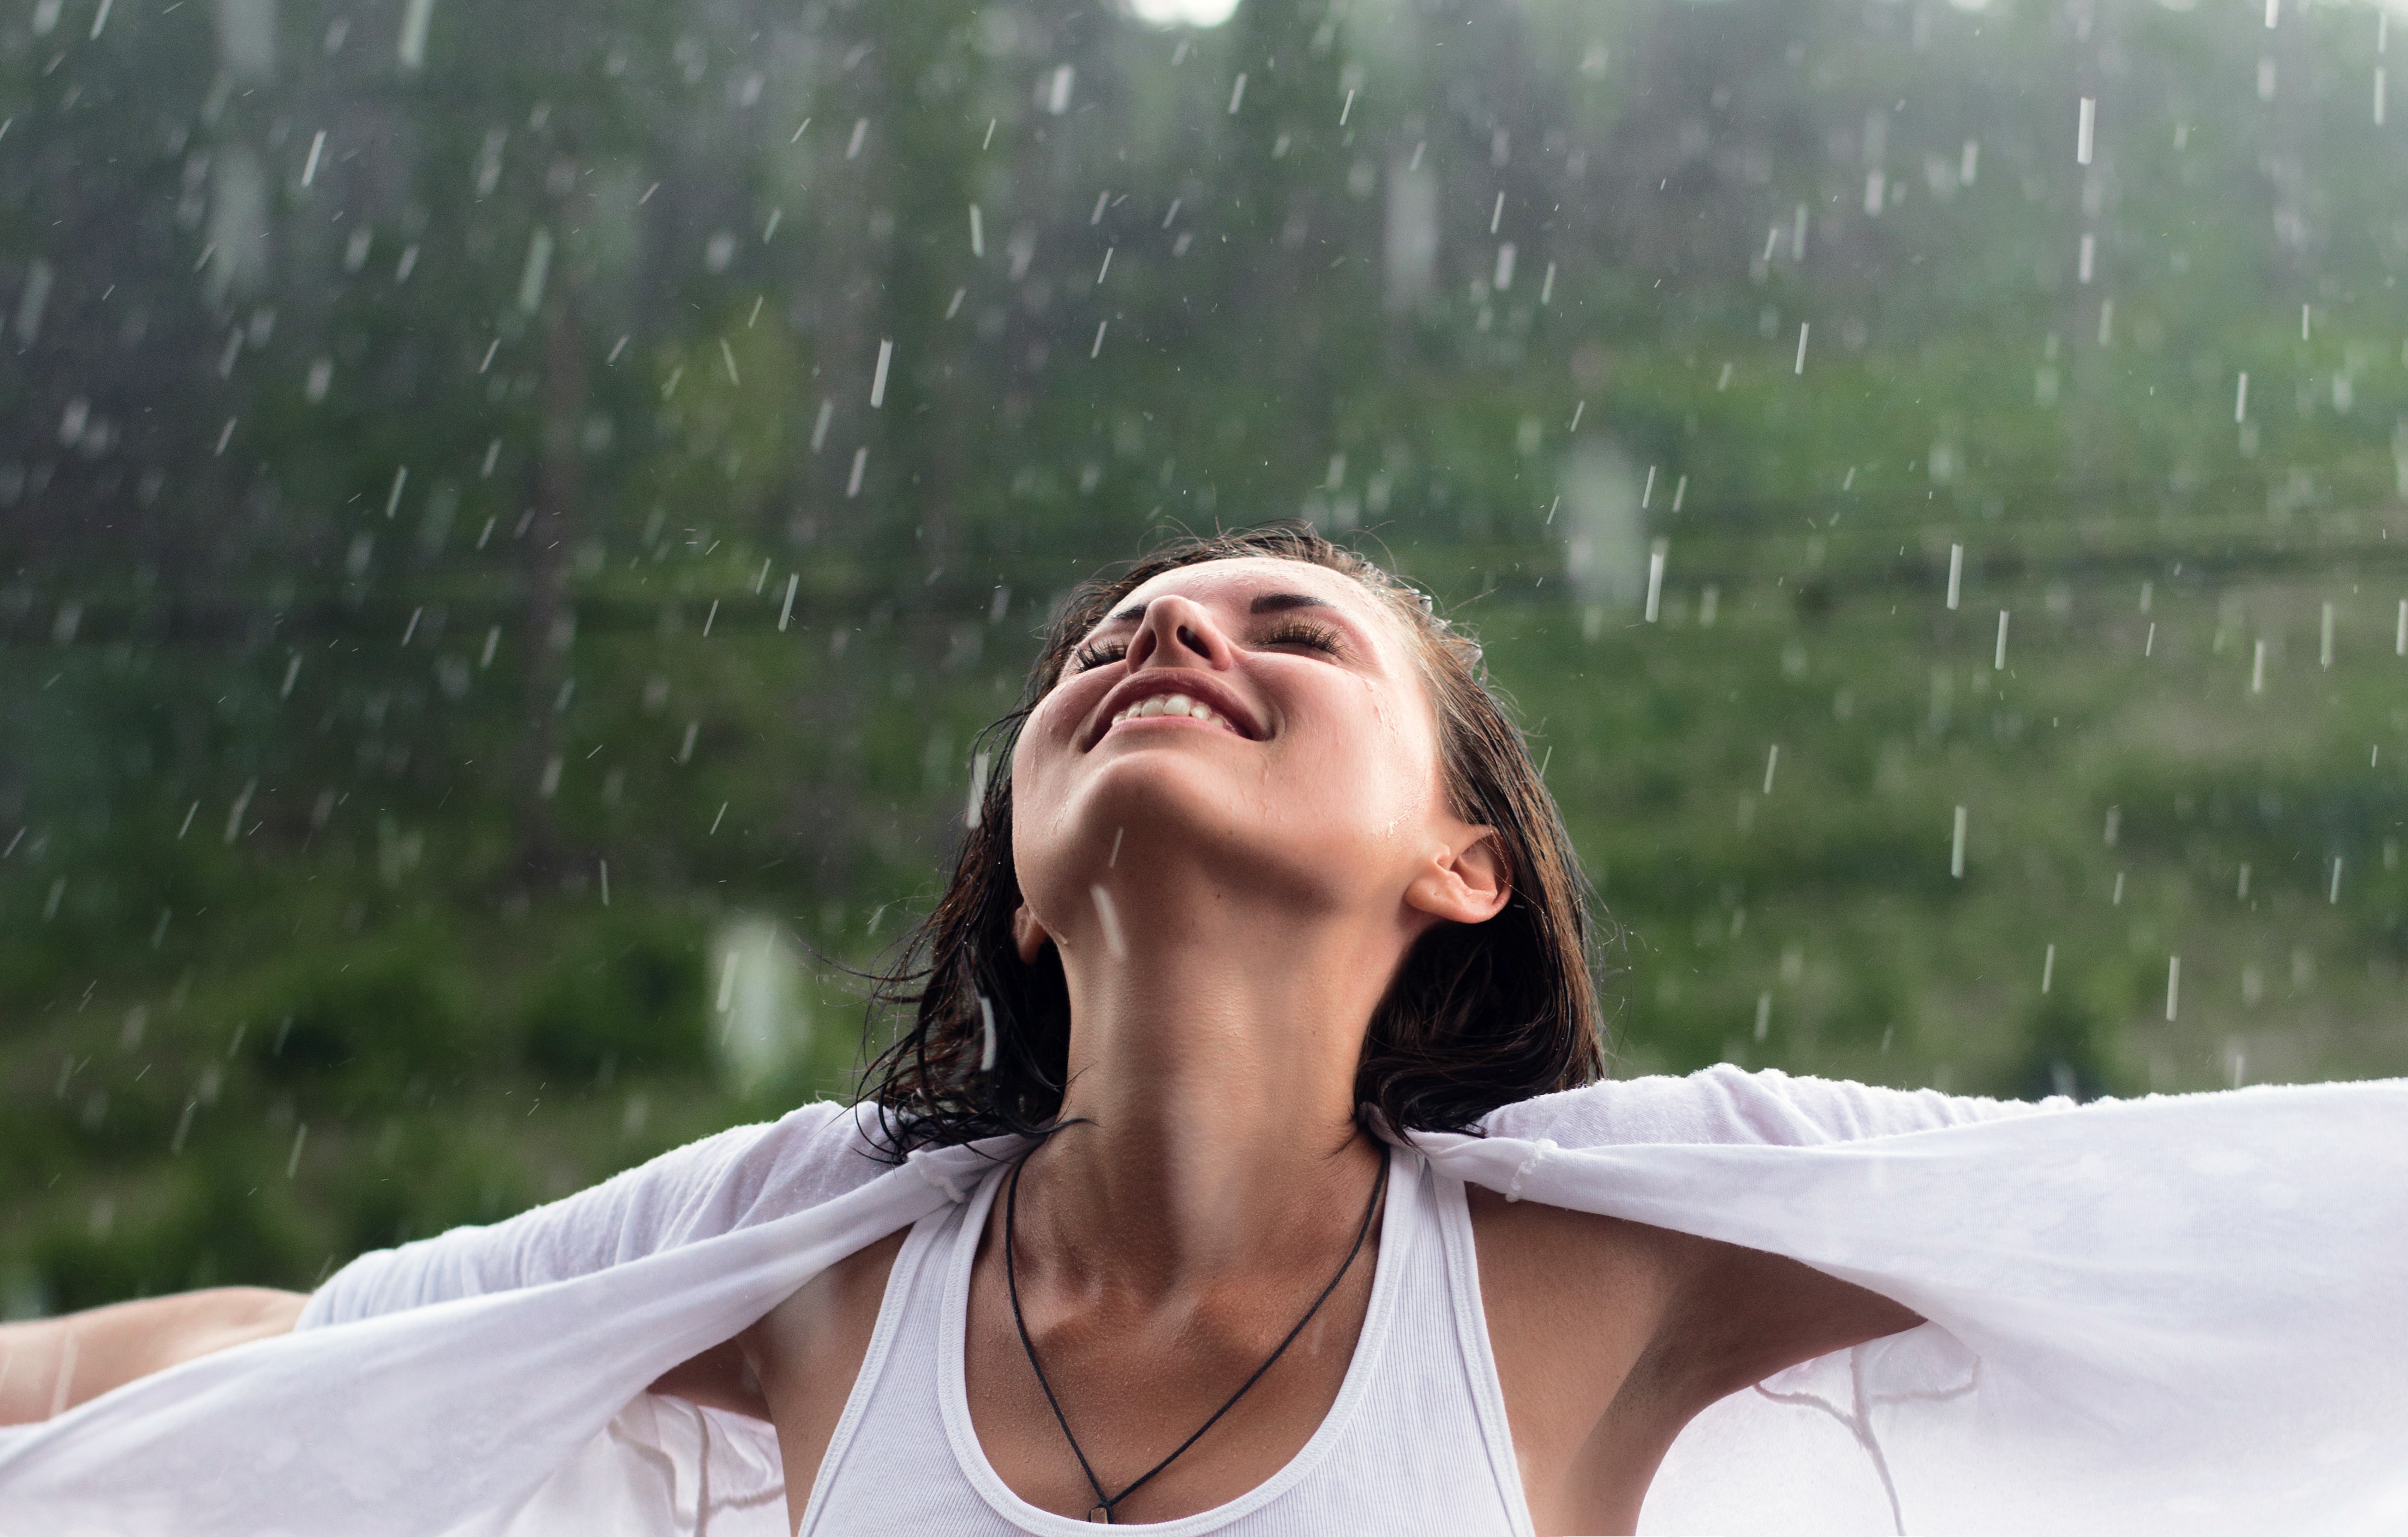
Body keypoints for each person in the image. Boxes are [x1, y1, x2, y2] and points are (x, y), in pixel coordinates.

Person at [2, 526, 2403, 1537]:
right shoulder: (815, 1251)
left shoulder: (1619, 1252)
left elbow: (2237, 1227)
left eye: (1291, 630)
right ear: (1021, 884)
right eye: (1113, 630)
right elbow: (294, 1365)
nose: (1163, 637)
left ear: (1454, 858)